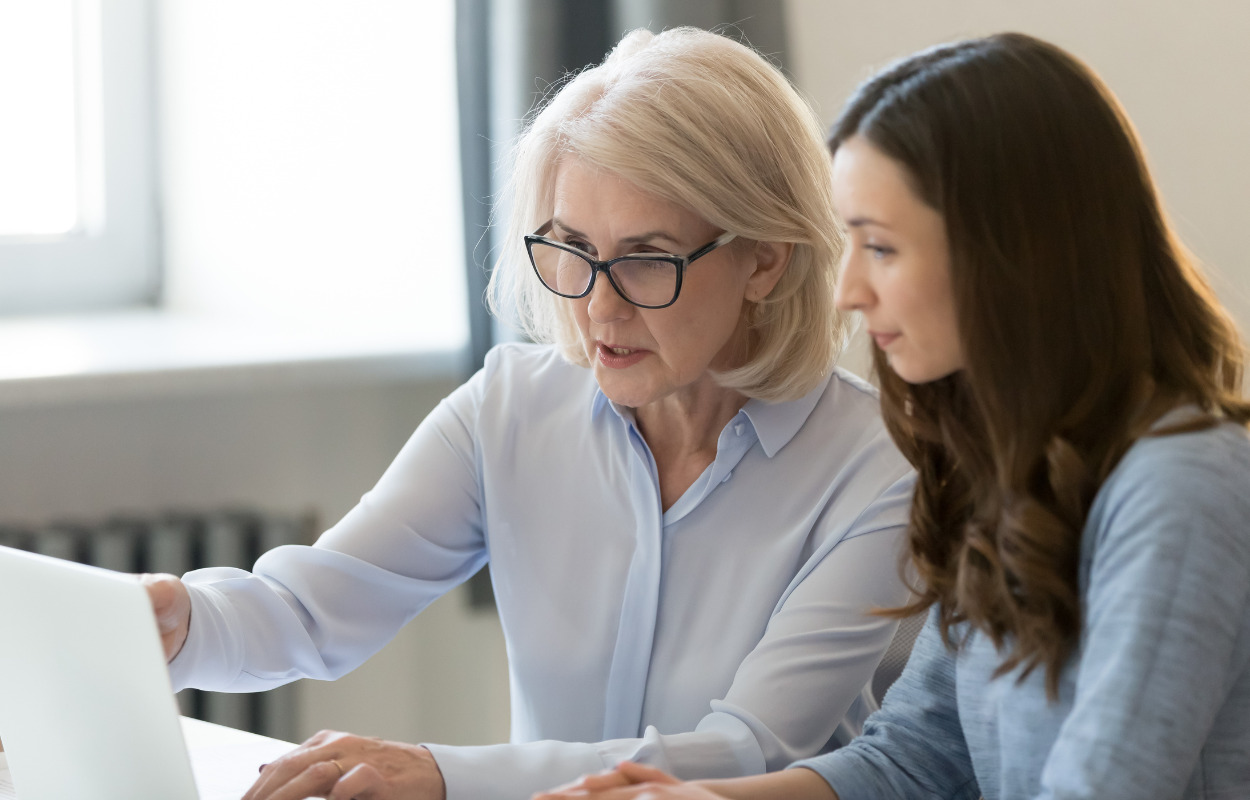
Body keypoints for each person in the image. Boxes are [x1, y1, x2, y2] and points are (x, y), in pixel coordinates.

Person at [141, 26, 916, 800]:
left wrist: (443, 775)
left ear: (766, 257)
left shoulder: (878, 471)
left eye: (645, 259)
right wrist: (185, 620)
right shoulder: (509, 409)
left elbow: (745, 750)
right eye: (572, 249)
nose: (599, 308)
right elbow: (311, 608)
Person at [536, 31, 1250, 800]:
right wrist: (700, 799)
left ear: (1007, 255)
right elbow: (917, 756)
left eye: (879, 248)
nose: (847, 291)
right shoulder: (1012, 474)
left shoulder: (1181, 486)